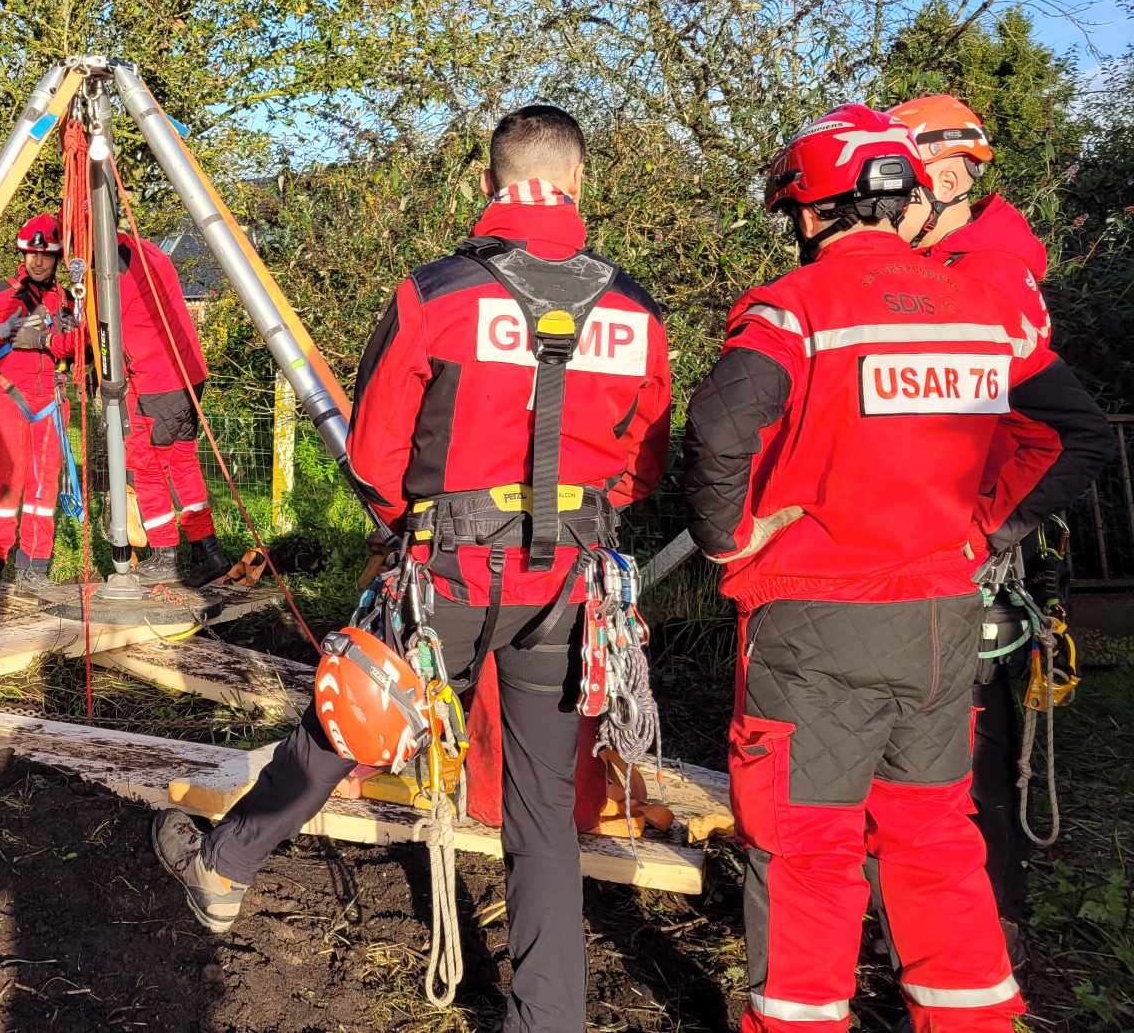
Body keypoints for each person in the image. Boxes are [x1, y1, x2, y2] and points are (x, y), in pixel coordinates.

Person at [152, 105, 672, 1033]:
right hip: (571, 586)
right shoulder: (635, 310)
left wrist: (413, 529)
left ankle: (225, 866)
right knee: (543, 811)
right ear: (580, 185)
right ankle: (546, 1019)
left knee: (347, 721)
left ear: (488, 184)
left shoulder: (436, 294)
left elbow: (376, 451)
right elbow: (644, 467)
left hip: (448, 571)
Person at [680, 102, 1110, 1032]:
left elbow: (716, 434)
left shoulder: (792, 310)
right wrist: (987, 528)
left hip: (813, 628)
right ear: (909, 200)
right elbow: (1074, 435)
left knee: (807, 849)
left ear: (809, 212)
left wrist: (731, 540)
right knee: (934, 838)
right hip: (940, 623)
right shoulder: (989, 312)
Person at [885, 92, 1062, 965]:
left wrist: (988, 529)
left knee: (968, 756)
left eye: (900, 189)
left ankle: (989, 941)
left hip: (966, 546)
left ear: (947, 177)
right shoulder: (964, 257)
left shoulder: (983, 274)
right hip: (937, 537)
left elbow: (1061, 430)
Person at [0, 213, 81, 612]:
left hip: (50, 401)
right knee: (5, 487)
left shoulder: (66, 298)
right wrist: (3, 331)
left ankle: (34, 569)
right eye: (31, 254)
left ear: (57, 258)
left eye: (45, 256)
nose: (38, 262)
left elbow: (81, 347)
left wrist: (54, 336)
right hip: (10, 397)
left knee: (44, 489)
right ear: (22, 253)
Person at [114, 231, 226, 586]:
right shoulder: (147, 251)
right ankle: (207, 550)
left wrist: (54, 339)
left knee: (144, 465)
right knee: (182, 463)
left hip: (155, 380)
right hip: (187, 373)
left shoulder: (115, 264)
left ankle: (165, 555)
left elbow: (100, 328)